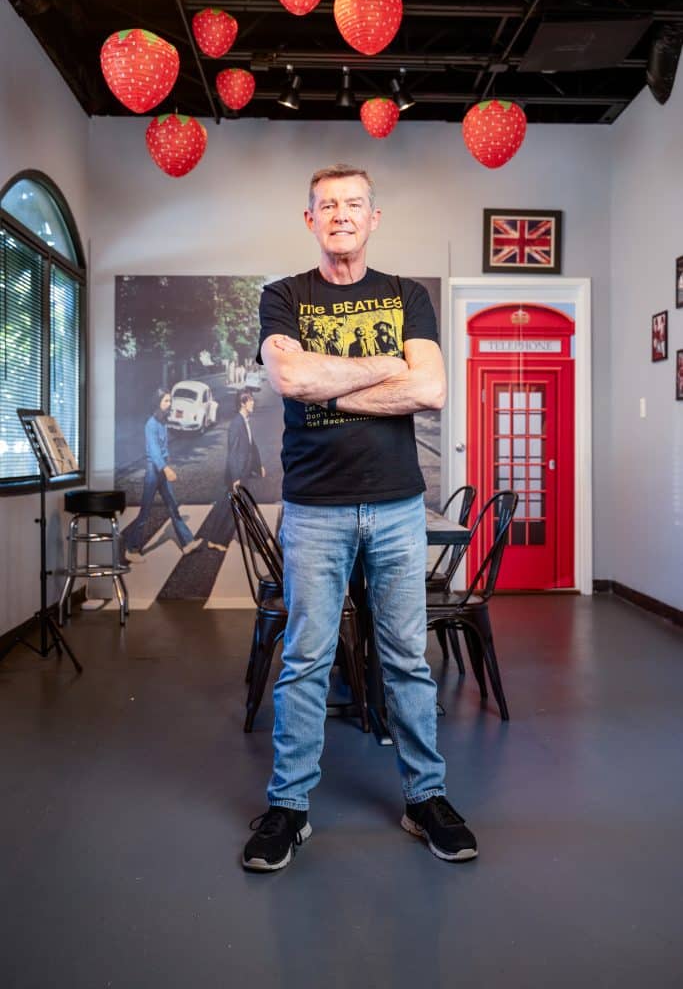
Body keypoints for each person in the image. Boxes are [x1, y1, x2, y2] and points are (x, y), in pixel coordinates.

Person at [242, 163, 477, 871]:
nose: (341, 214)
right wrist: (384, 368)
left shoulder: (408, 294)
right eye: (326, 205)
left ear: (373, 218)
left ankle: (424, 798)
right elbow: (290, 378)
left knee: (406, 658)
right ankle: (288, 807)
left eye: (354, 204)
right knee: (306, 661)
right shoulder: (282, 296)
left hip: (398, 506)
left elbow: (430, 387)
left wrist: (330, 384)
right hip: (314, 510)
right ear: (309, 219)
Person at [125, 389, 203, 562]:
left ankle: (187, 542)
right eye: (167, 401)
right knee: (145, 511)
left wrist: (167, 461)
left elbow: (162, 448)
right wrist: (165, 468)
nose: (170, 404)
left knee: (173, 507)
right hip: (154, 471)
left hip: (161, 469)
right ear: (158, 403)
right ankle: (131, 549)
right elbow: (153, 451)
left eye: (170, 401)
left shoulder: (162, 422)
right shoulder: (151, 424)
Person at [207, 391, 266, 552]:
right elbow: (233, 453)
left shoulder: (245, 421)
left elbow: (251, 446)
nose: (253, 403)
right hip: (238, 475)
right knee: (246, 509)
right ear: (242, 403)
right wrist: (235, 478)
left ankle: (215, 540)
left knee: (227, 508)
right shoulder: (236, 424)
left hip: (242, 473)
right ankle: (263, 543)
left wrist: (258, 465)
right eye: (250, 401)